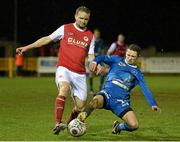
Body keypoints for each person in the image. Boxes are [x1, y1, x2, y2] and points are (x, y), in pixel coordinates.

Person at [16, 6, 97, 135]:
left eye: (86, 19)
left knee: (80, 106)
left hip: (80, 73)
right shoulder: (65, 28)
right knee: (64, 88)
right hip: (64, 68)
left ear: (89, 19)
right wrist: (27, 47)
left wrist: (93, 62)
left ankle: (70, 124)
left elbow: (91, 54)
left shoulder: (90, 36)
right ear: (75, 16)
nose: (83, 21)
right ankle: (57, 123)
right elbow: (47, 39)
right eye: (81, 18)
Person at [77, 44, 161, 134]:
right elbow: (102, 57)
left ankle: (119, 127)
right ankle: (79, 121)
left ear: (138, 57)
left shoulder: (138, 73)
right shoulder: (117, 59)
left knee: (134, 125)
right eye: (128, 55)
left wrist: (152, 104)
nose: (130, 58)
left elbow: (145, 88)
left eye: (133, 56)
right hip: (106, 95)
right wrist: (95, 62)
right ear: (126, 53)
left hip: (121, 102)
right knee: (95, 101)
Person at [89, 28, 105, 94]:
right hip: (93, 59)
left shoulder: (101, 41)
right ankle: (91, 89)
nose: (97, 35)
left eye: (98, 34)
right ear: (94, 34)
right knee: (91, 73)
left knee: (103, 72)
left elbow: (103, 50)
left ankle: (100, 88)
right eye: (96, 34)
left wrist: (103, 58)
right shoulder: (91, 41)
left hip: (100, 59)